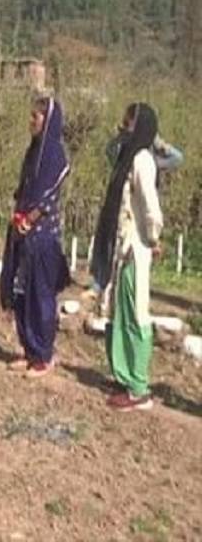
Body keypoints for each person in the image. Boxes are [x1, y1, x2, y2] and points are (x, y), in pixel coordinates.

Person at [92, 103, 164, 412]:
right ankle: (123, 376)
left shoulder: (143, 160)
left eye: (129, 121)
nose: (124, 125)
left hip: (135, 247)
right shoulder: (126, 157)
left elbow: (150, 205)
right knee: (117, 312)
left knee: (135, 314)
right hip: (121, 249)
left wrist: (153, 237)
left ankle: (138, 386)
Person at [0, 97, 71, 378]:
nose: (31, 122)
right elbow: (25, 188)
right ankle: (29, 349)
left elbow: (49, 195)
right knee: (22, 292)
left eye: (36, 117)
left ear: (48, 120)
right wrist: (17, 216)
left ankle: (43, 354)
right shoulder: (33, 151)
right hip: (22, 233)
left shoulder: (54, 154)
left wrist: (30, 218)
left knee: (41, 295)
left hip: (42, 236)